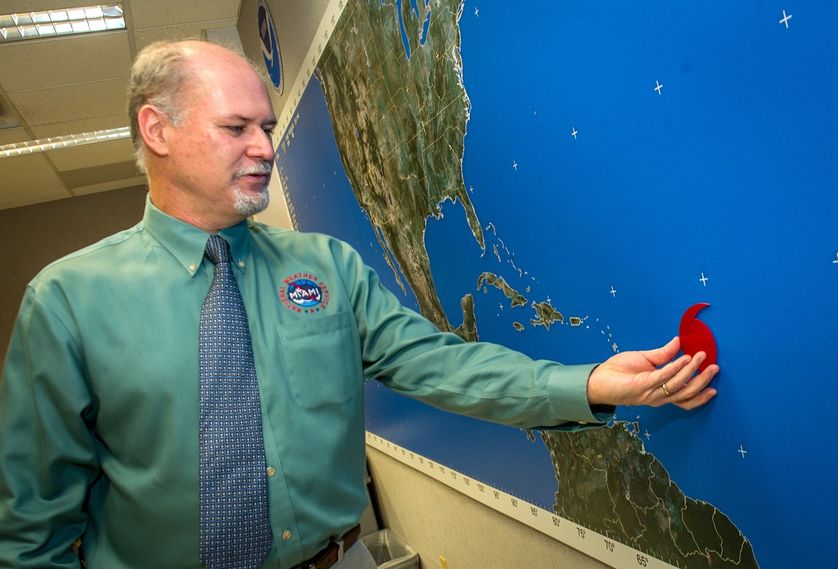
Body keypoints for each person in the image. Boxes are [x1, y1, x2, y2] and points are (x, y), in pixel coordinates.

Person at [0, 40, 718, 569]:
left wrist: (589, 383)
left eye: (269, 129)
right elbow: (34, 519)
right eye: (235, 128)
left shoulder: (326, 268)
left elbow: (439, 364)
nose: (263, 148)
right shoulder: (68, 300)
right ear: (157, 130)